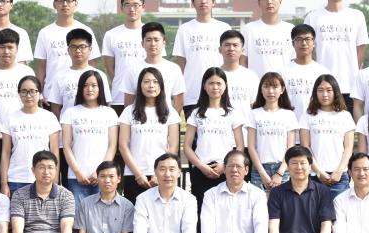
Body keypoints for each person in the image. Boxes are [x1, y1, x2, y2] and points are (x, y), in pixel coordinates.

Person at [183, 67, 244, 212]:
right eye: (211, 83)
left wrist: (226, 165)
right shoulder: (196, 113)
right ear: (204, 86)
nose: (215, 87)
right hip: (201, 170)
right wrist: (201, 166)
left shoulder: (233, 113)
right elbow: (187, 146)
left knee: (226, 211)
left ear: (225, 86)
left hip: (226, 170)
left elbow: (240, 146)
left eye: (219, 83)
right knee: (202, 211)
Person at [303, 0, 368, 101]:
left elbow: (361, 48)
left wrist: (353, 71)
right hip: (321, 84)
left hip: (350, 84)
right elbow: (308, 50)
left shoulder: (357, 16)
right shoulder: (313, 17)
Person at [118, 66, 181, 202]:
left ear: (161, 85)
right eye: (146, 82)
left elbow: (173, 146)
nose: (151, 85)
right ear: (140, 85)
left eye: (155, 82)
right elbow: (123, 145)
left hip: (162, 175)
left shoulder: (171, 112)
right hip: (134, 174)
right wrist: (138, 174)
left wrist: (159, 173)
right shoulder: (129, 111)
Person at [173, 0, 232, 117]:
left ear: (213, 2)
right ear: (193, 3)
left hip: (219, 93)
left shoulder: (224, 28)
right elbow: (181, 64)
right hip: (192, 95)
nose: (203, 1)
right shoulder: (184, 29)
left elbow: (231, 61)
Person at [61, 70, 119, 201]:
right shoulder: (70, 113)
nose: (89, 89)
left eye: (94, 85)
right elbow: (66, 146)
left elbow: (112, 146)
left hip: (103, 177)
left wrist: (100, 172)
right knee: (79, 213)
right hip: (76, 177)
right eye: (85, 85)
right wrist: (77, 172)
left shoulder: (109, 113)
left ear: (100, 88)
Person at [0, 76, 61, 195]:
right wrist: (4, 183)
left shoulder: (49, 117)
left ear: (39, 93)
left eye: (32, 91)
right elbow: (5, 153)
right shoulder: (11, 118)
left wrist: (55, 180)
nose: (28, 96)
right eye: (24, 91)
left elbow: (54, 151)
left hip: (44, 178)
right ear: (19, 94)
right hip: (16, 178)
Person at [299, 74, 355, 197]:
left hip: (339, 177)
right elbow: (305, 147)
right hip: (315, 176)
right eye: (320, 90)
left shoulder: (345, 116)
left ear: (335, 92)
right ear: (315, 93)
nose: (324, 94)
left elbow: (348, 148)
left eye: (329, 90)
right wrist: (319, 172)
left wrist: (339, 171)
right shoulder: (307, 115)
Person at [34, 0, 100, 84]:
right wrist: (40, 91)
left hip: (80, 89)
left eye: (69, 0)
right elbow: (41, 66)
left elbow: (92, 63)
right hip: (52, 91)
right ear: (54, 4)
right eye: (60, 0)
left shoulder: (86, 31)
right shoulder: (45, 33)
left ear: (76, 3)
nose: (65, 4)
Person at [246, 72, 298, 191]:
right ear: (261, 89)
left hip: (283, 169)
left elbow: (290, 148)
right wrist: (262, 173)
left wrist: (280, 173)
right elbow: (251, 147)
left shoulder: (289, 115)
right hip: (259, 169)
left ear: (282, 89)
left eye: (275, 87)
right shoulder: (253, 114)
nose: (270, 91)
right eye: (266, 86)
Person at [121, 21, 185, 115]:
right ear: (142, 43)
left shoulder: (174, 69)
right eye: (148, 40)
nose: (153, 44)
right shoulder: (132, 69)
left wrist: (170, 120)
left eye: (156, 40)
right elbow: (128, 102)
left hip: (165, 119)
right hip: (140, 120)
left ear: (164, 42)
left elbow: (179, 102)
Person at [45, 28, 110, 118]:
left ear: (90, 49)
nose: (78, 51)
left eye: (82, 47)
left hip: (95, 123)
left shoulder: (100, 75)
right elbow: (56, 107)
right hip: (68, 124)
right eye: (73, 47)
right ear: (68, 50)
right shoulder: (59, 76)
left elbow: (105, 104)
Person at [102, 0, 147, 113]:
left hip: (147, 97)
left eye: (136, 5)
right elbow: (110, 69)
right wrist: (123, 84)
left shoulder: (151, 33)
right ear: (121, 8)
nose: (132, 9)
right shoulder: (111, 35)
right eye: (127, 5)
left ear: (143, 7)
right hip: (119, 98)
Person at [0, 28, 35, 120]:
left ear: (17, 48)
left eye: (10, 47)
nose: (6, 51)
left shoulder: (27, 72)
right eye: (2, 47)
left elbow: (34, 102)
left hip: (20, 124)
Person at [243, 0, 294, 76]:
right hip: (256, 83)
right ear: (259, 2)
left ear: (280, 1)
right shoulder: (248, 29)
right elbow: (243, 59)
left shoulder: (290, 30)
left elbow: (294, 60)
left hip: (284, 83)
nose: (269, 2)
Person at [283, 23, 330, 122]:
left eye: (308, 39)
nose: (304, 43)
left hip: (316, 125)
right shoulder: (283, 72)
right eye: (299, 39)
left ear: (314, 43)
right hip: (289, 126)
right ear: (293, 44)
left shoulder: (323, 72)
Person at [218, 29, 260, 130]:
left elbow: (256, 107)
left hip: (245, 133)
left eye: (235, 45)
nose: (231, 49)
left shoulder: (251, 76)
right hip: (220, 132)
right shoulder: (213, 76)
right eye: (227, 45)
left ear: (242, 50)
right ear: (220, 49)